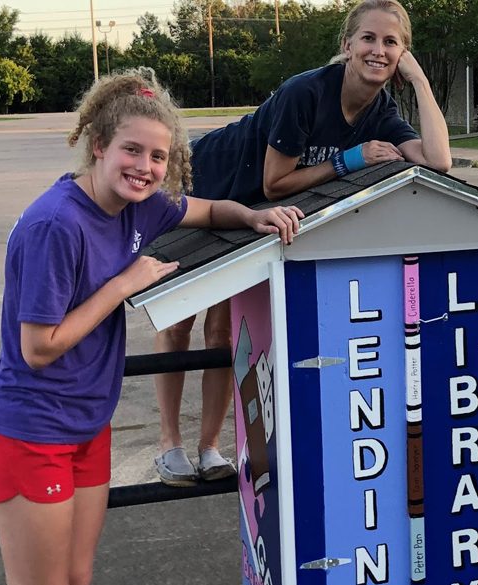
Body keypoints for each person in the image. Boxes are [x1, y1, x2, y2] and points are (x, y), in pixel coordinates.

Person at [0, 69, 301, 585]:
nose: (144, 167)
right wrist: (124, 284)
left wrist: (252, 215)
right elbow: (38, 347)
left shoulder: (141, 205)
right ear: (98, 145)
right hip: (29, 430)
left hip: (86, 427)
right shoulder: (57, 224)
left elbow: (207, 209)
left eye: (158, 156)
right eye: (131, 150)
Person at [152, 0, 452, 486]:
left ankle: (209, 447)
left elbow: (439, 161)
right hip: (204, 186)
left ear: (403, 53)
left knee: (223, 331)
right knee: (180, 319)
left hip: (251, 215)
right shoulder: (305, 93)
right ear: (347, 45)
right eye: (369, 38)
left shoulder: (382, 109)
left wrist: (419, 80)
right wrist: (349, 159)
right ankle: (170, 445)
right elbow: (275, 182)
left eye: (392, 42)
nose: (379, 50)